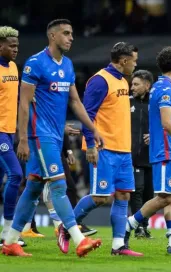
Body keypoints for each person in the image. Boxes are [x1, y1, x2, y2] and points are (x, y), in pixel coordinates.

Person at [1, 19, 102, 257]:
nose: (71, 38)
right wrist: (23, 138)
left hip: (55, 136)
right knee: (58, 185)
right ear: (52, 36)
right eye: (66, 33)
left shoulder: (67, 65)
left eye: (72, 33)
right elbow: (23, 104)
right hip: (39, 135)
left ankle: (10, 241)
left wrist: (92, 128)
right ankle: (78, 239)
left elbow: (75, 102)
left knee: (34, 188)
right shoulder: (34, 64)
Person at [68, 42, 142, 257]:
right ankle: (67, 227)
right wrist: (90, 144)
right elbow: (87, 114)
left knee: (123, 196)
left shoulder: (123, 81)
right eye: (134, 61)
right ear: (124, 60)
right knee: (100, 197)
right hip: (103, 148)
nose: (135, 65)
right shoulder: (100, 80)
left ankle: (119, 246)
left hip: (123, 148)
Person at [125, 46, 171, 254]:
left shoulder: (160, 87)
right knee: (165, 197)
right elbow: (166, 123)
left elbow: (167, 120)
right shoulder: (166, 89)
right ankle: (128, 225)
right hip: (167, 151)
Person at [0, 26, 24, 246]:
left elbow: (14, 101)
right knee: (16, 175)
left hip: (8, 131)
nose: (16, 49)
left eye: (17, 45)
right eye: (12, 45)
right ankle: (8, 231)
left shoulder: (14, 67)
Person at [130, 69, 154, 239]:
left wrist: (155, 135)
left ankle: (144, 226)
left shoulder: (157, 104)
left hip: (153, 156)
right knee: (137, 190)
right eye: (132, 84)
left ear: (147, 85)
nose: (132, 87)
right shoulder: (126, 102)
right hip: (133, 156)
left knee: (149, 193)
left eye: (136, 84)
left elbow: (168, 125)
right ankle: (139, 228)